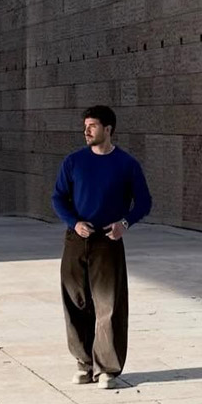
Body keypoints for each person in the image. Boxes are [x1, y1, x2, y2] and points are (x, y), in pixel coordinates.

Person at [51, 105, 153, 389]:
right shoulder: (73, 162)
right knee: (76, 302)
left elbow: (143, 202)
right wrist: (73, 222)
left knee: (109, 305)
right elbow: (58, 198)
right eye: (85, 126)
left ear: (108, 129)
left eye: (92, 126)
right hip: (76, 239)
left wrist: (125, 223)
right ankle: (84, 364)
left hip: (108, 241)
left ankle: (107, 368)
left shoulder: (126, 164)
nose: (86, 131)